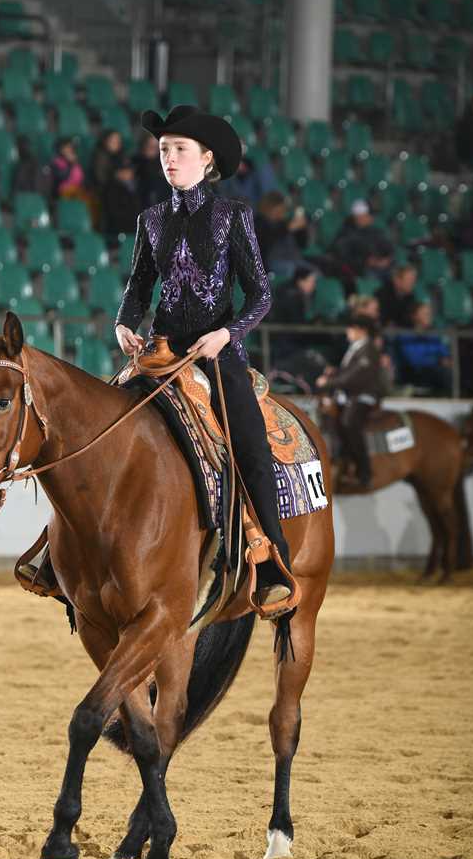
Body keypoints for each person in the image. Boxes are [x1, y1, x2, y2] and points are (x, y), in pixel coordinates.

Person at [114, 104, 294, 609]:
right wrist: (124, 323)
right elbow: (139, 287)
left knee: (251, 448)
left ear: (206, 158)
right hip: (161, 351)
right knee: (100, 422)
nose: (169, 158)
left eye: (179, 149)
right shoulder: (150, 219)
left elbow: (260, 294)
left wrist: (226, 334)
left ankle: (273, 563)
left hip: (217, 352)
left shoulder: (233, 215)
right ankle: (58, 550)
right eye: (163, 150)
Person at [316, 314, 382, 488]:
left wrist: (328, 383)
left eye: (351, 328)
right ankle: (341, 460)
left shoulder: (368, 350)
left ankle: (364, 472)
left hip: (363, 396)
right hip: (349, 395)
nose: (348, 331)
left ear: (362, 330)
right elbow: (348, 372)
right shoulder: (357, 348)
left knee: (349, 422)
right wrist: (334, 372)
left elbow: (354, 377)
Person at [394, 299, 452, 395]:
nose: (429, 316)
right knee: (443, 373)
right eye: (425, 314)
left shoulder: (433, 334)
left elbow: (444, 354)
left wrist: (443, 359)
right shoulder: (405, 335)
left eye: (429, 314)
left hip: (435, 372)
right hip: (415, 373)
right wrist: (437, 360)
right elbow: (415, 360)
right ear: (414, 316)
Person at [332, 200, 394, 278]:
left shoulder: (374, 231)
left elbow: (388, 247)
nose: (372, 218)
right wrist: (368, 262)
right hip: (360, 271)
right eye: (369, 215)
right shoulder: (346, 234)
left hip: (380, 266)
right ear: (359, 217)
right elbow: (344, 257)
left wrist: (387, 259)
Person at [254, 191, 310, 278]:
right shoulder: (258, 222)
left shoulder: (283, 223)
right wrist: (287, 228)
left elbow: (303, 244)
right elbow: (264, 241)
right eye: (279, 209)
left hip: (292, 259)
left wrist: (302, 228)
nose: (281, 213)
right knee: (295, 271)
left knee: (312, 272)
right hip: (270, 262)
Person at [101, 157, 140, 236]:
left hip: (135, 229)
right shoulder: (111, 189)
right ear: (116, 173)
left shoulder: (137, 186)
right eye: (123, 171)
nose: (127, 173)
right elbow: (114, 215)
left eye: (129, 170)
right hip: (118, 232)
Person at [132, 133, 171, 209]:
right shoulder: (136, 160)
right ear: (144, 145)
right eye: (150, 145)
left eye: (155, 146)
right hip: (141, 201)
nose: (153, 148)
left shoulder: (163, 161)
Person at [376, 263, 418, 328]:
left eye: (414, 280)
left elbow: (409, 321)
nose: (413, 283)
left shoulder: (411, 297)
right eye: (410, 279)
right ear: (397, 280)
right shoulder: (382, 294)